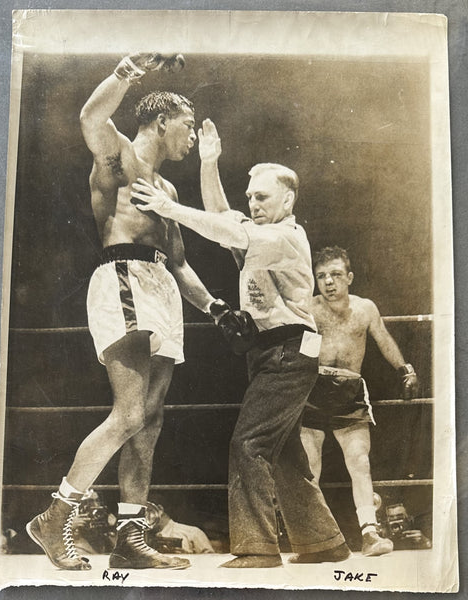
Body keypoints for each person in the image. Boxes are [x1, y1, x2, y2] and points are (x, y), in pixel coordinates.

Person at [26, 53, 243, 571]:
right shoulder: (118, 156)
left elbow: (180, 264)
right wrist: (125, 71)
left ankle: (129, 532)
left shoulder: (167, 191)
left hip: (163, 290)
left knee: (149, 420)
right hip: (122, 277)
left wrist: (215, 307)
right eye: (188, 126)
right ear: (162, 120)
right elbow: (89, 118)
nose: (192, 138)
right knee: (127, 414)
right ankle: (57, 514)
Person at [130, 119, 350, 568]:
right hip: (272, 353)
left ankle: (257, 549)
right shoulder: (260, 234)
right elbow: (226, 218)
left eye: (262, 196)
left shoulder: (285, 237)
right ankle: (324, 542)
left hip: (290, 352)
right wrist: (209, 165)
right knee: (285, 454)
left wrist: (170, 209)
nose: (252, 203)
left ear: (287, 200)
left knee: (247, 444)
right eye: (250, 196)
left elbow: (228, 230)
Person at [300, 246, 419, 556]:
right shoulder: (309, 309)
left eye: (336, 275)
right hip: (313, 387)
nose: (328, 282)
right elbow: (296, 349)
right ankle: (314, 539)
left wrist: (406, 371)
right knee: (309, 466)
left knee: (359, 461)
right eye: (322, 276)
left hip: (349, 390)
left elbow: (383, 339)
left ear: (349, 277)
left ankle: (369, 532)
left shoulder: (365, 309)